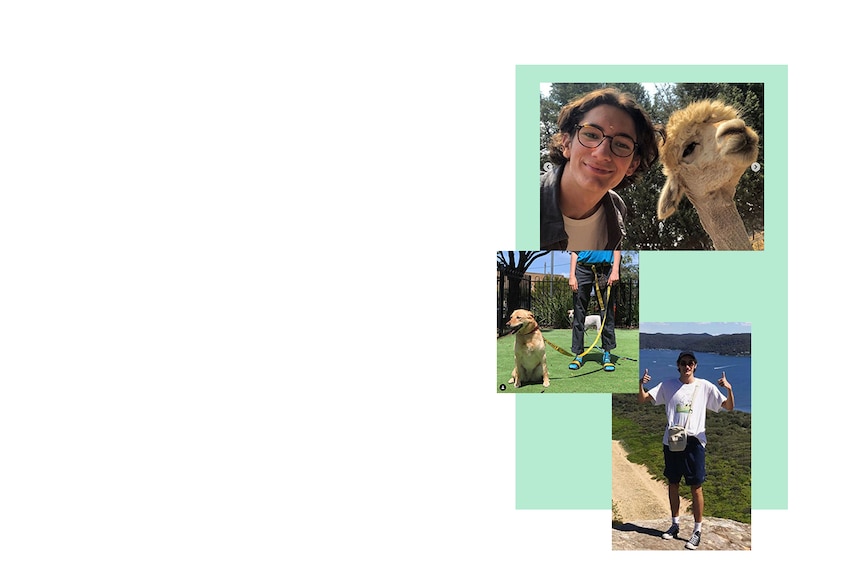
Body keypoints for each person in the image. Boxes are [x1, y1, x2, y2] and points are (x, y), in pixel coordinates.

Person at [540, 87, 659, 250]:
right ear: (567, 144)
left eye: (621, 145)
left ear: (632, 165)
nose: (602, 153)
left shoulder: (616, 210)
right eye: (591, 135)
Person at [637, 351, 734, 550]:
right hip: (672, 441)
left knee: (696, 486)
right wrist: (640, 384)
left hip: (694, 442)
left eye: (690, 363)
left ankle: (697, 530)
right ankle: (675, 525)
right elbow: (644, 399)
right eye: (683, 363)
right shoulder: (667, 385)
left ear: (695, 365)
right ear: (678, 366)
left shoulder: (705, 386)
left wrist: (729, 389)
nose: (687, 366)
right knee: (673, 483)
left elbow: (729, 407)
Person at [568, 250, 620, 372]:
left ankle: (607, 354)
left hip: (605, 270)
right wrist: (572, 275)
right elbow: (575, 251)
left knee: (607, 314)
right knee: (578, 314)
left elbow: (616, 247)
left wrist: (615, 270)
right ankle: (579, 354)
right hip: (582, 269)